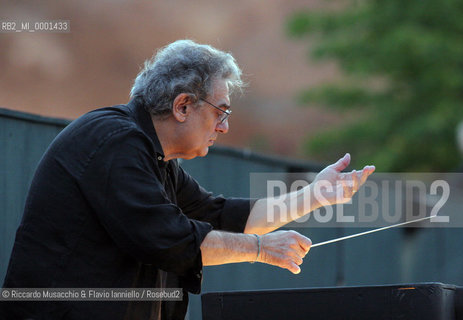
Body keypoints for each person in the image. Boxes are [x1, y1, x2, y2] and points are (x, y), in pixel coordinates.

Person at [0, 40, 375, 320]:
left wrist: (313, 196)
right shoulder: (115, 142)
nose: (225, 127)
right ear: (182, 106)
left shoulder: (151, 154)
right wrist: (261, 249)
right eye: (220, 113)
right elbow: (168, 239)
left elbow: (220, 215)